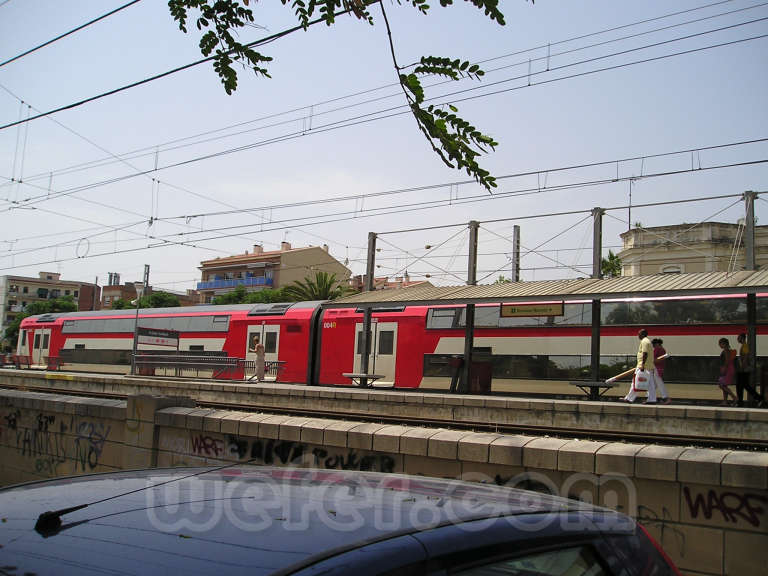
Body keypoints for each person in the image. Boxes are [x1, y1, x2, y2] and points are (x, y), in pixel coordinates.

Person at [623, 329, 657, 404]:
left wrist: (642, 365)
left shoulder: (644, 341)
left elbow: (645, 353)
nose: (638, 335)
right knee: (650, 384)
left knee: (635, 381)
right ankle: (652, 399)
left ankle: (629, 398)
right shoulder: (648, 341)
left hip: (643, 366)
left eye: (639, 334)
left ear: (642, 334)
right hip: (649, 366)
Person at [735, 333, 764, 407]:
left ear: (742, 338)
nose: (737, 339)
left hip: (744, 369)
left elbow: (746, 356)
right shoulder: (744, 346)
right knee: (743, 385)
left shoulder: (745, 346)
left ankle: (741, 401)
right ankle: (758, 398)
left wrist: (742, 367)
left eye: (738, 337)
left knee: (740, 385)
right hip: (744, 368)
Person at [717, 338, 738, 406]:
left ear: (724, 343)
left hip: (727, 369)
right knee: (724, 385)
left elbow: (727, 361)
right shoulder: (727, 350)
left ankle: (734, 397)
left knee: (721, 385)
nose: (719, 345)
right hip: (729, 368)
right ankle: (725, 401)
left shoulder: (726, 351)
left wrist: (724, 369)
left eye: (720, 343)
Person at [651, 338, 671, 404]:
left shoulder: (657, 349)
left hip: (657, 368)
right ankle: (650, 398)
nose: (653, 346)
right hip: (660, 368)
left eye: (653, 344)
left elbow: (652, 359)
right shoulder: (663, 349)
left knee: (659, 383)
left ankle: (665, 398)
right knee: (653, 385)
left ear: (656, 344)